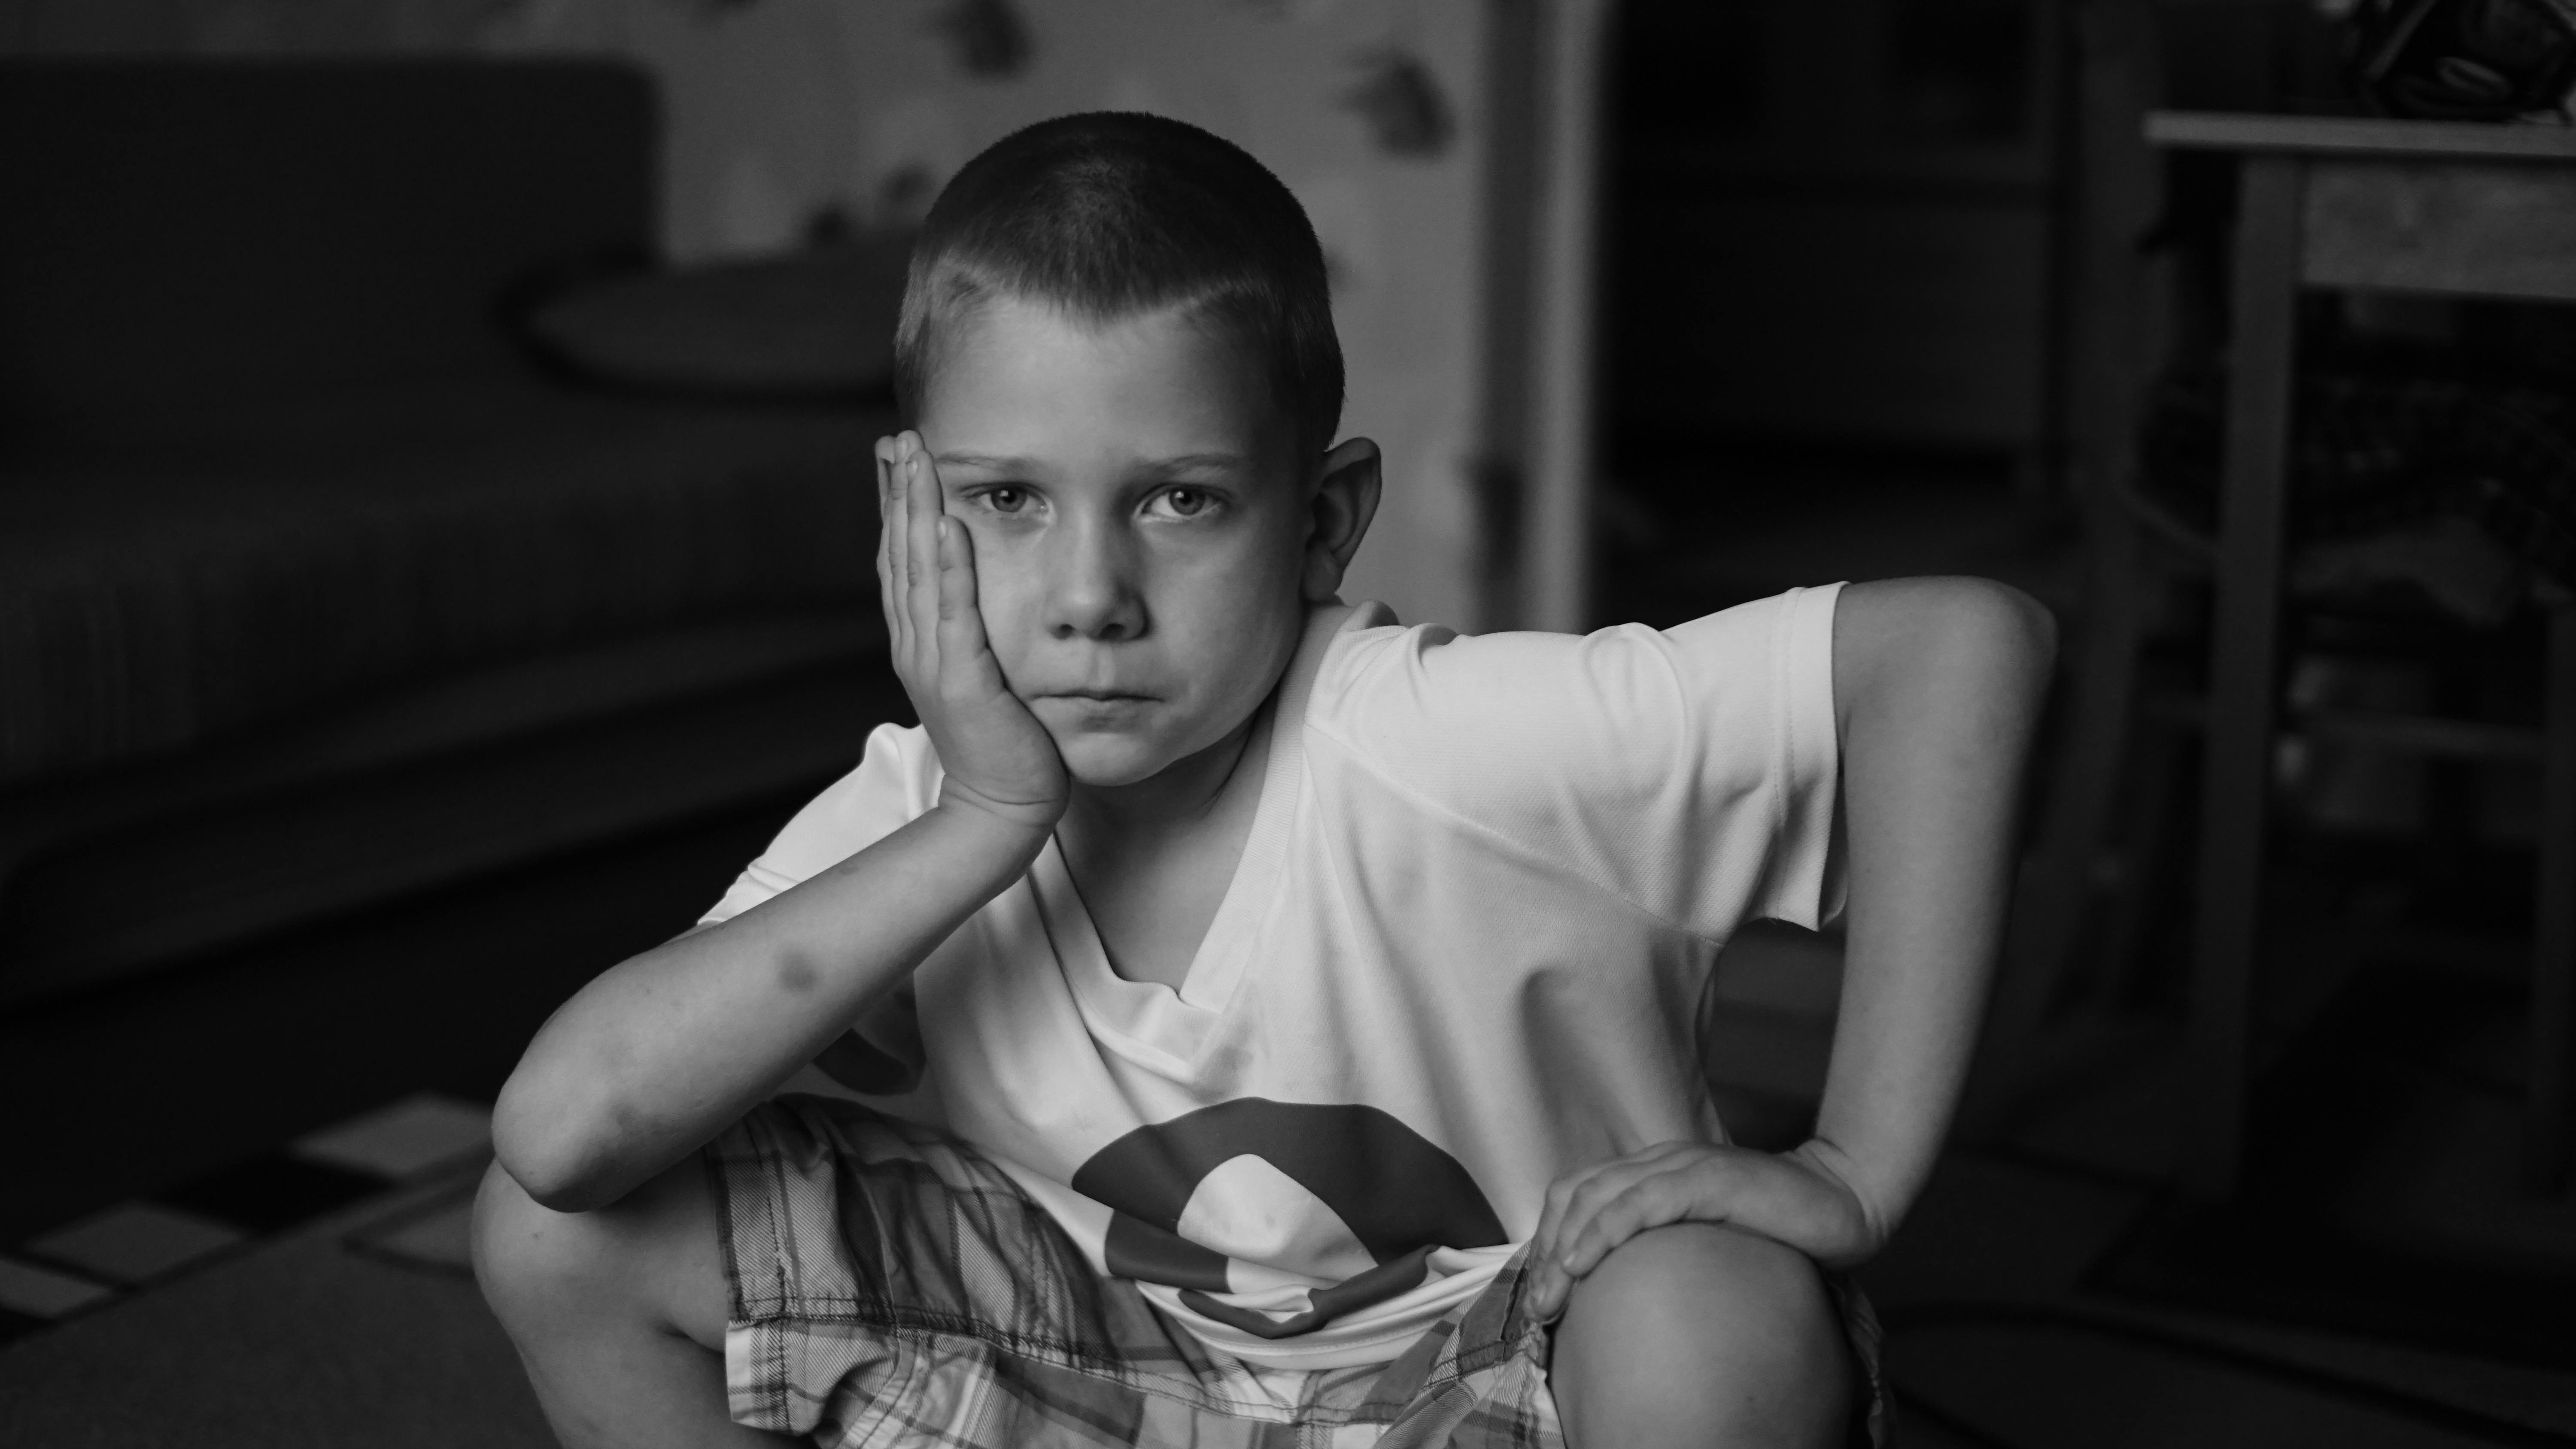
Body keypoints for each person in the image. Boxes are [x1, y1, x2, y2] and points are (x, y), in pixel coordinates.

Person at [472, 111, 2054, 1449]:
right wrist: (984, 819)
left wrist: (1850, 1173)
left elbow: (1957, 652)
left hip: (1497, 1368)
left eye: (1177, 500)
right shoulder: (928, 802)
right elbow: (563, 1139)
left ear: (1321, 521)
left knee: (1715, 1311)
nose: (1088, 592)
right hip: (1108, 1378)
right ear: (910, 514)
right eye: (1007, 498)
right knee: (558, 1239)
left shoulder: (1437, 738)